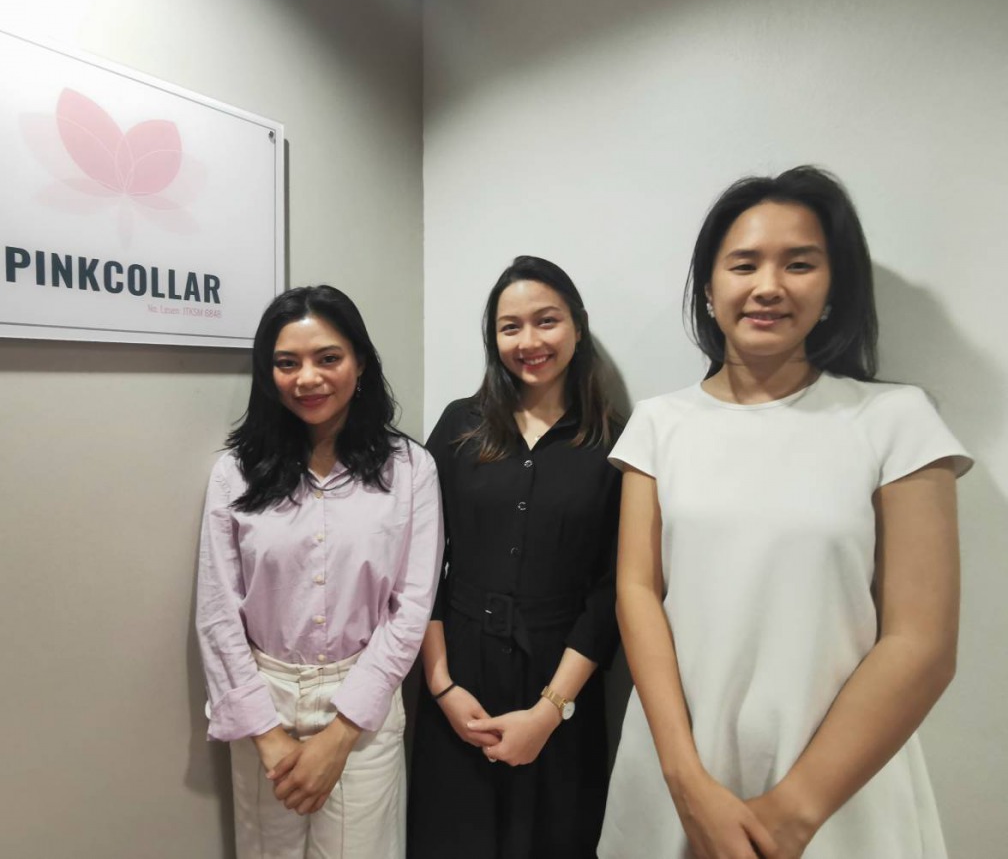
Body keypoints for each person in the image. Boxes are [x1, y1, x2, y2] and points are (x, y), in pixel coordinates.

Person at [602, 166, 972, 859]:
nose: (769, 285)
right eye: (744, 264)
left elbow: (922, 643)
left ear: (833, 289)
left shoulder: (896, 421)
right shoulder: (658, 425)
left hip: (839, 795)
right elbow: (637, 593)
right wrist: (686, 782)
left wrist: (791, 816)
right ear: (709, 290)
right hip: (677, 779)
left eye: (799, 264)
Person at [195, 285, 443, 859]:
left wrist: (341, 733)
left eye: (328, 358)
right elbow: (217, 611)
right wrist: (266, 732)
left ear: (360, 362)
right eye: (288, 363)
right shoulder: (236, 474)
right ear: (268, 373)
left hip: (363, 700)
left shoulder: (410, 469)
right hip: (264, 695)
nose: (308, 378)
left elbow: (410, 610)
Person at [407, 256, 622, 858]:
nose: (529, 341)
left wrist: (549, 712)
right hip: (460, 671)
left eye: (546, 321)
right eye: (510, 327)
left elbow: (612, 591)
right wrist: (442, 685)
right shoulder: (460, 425)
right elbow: (421, 562)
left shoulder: (614, 441)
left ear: (577, 327)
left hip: (560, 683)